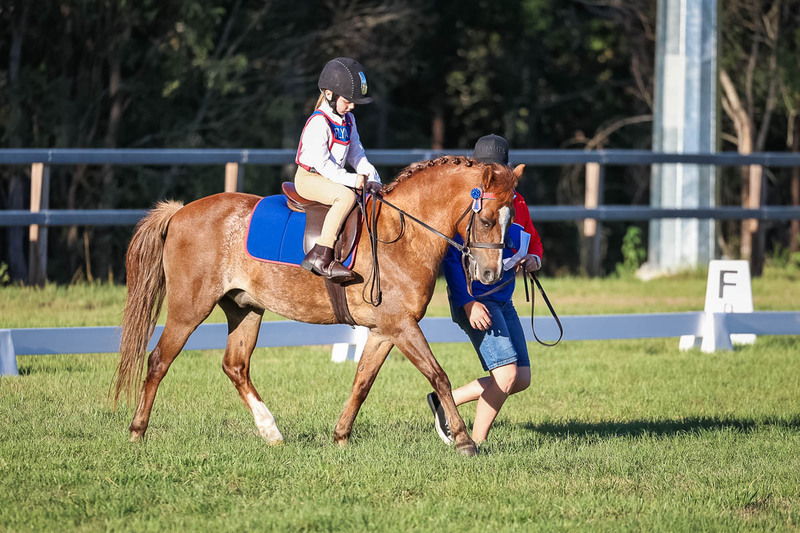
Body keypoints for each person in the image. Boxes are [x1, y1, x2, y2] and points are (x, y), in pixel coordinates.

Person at [427, 134, 543, 446]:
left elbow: (531, 237)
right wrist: (467, 303)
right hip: (477, 299)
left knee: (521, 378)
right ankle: (472, 445)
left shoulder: (516, 202)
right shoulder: (467, 206)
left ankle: (446, 400)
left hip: (504, 297)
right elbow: (452, 259)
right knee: (505, 376)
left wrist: (535, 259)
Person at [295, 57, 383, 283]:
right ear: (329, 94)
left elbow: (357, 154)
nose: (352, 106)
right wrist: (353, 180)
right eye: (348, 101)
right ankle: (321, 253)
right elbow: (323, 165)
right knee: (345, 197)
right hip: (310, 178)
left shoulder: (349, 120)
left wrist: (373, 178)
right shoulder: (319, 122)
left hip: (331, 177)